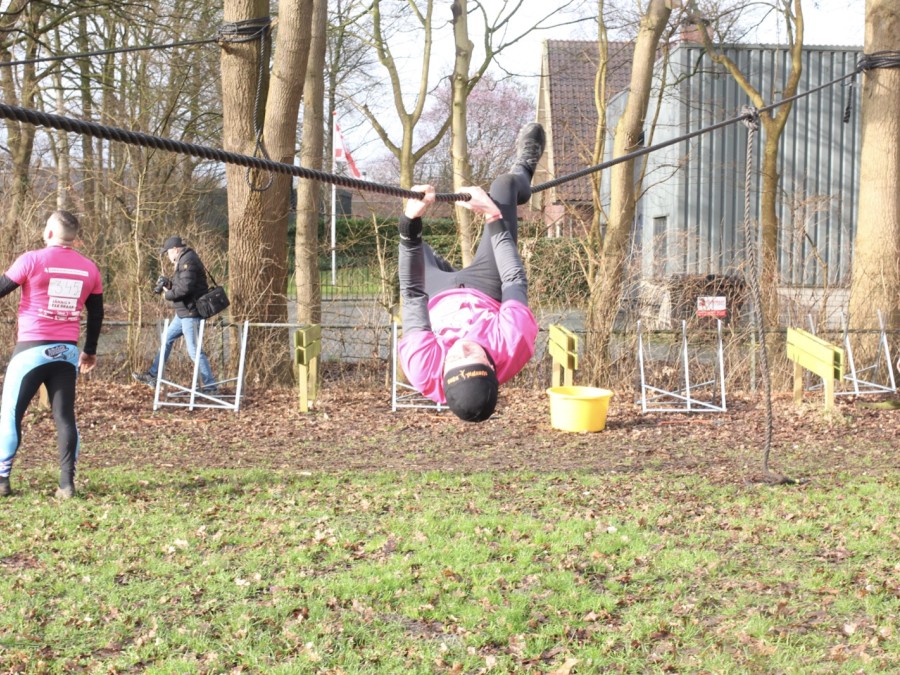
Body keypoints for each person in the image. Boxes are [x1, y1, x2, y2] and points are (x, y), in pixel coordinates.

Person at [396, 122, 545, 422]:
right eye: (472, 357)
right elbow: (513, 279)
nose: (463, 349)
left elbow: (412, 293)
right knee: (503, 187)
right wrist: (491, 214)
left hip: (436, 296)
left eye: (455, 360)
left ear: (443, 374)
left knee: (414, 245)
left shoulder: (422, 367)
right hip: (485, 291)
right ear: (491, 366)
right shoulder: (513, 342)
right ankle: (524, 167)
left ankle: (441, 266)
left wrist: (409, 223)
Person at [0, 211, 104, 499]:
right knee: (64, 416)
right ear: (74, 237)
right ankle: (66, 484)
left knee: (11, 414)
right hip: (66, 353)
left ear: (48, 233)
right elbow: (96, 313)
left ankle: (2, 480)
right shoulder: (89, 268)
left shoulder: (31, 260)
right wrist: (90, 351)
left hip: (31, 351)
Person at [132, 236, 217, 393]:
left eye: (168, 252)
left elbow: (185, 288)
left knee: (194, 350)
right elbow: (183, 284)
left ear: (175, 249)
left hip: (191, 313)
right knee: (166, 339)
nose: (167, 256)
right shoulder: (184, 259)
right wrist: (169, 284)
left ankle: (210, 386)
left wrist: (167, 294)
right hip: (183, 312)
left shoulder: (188, 261)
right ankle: (153, 375)